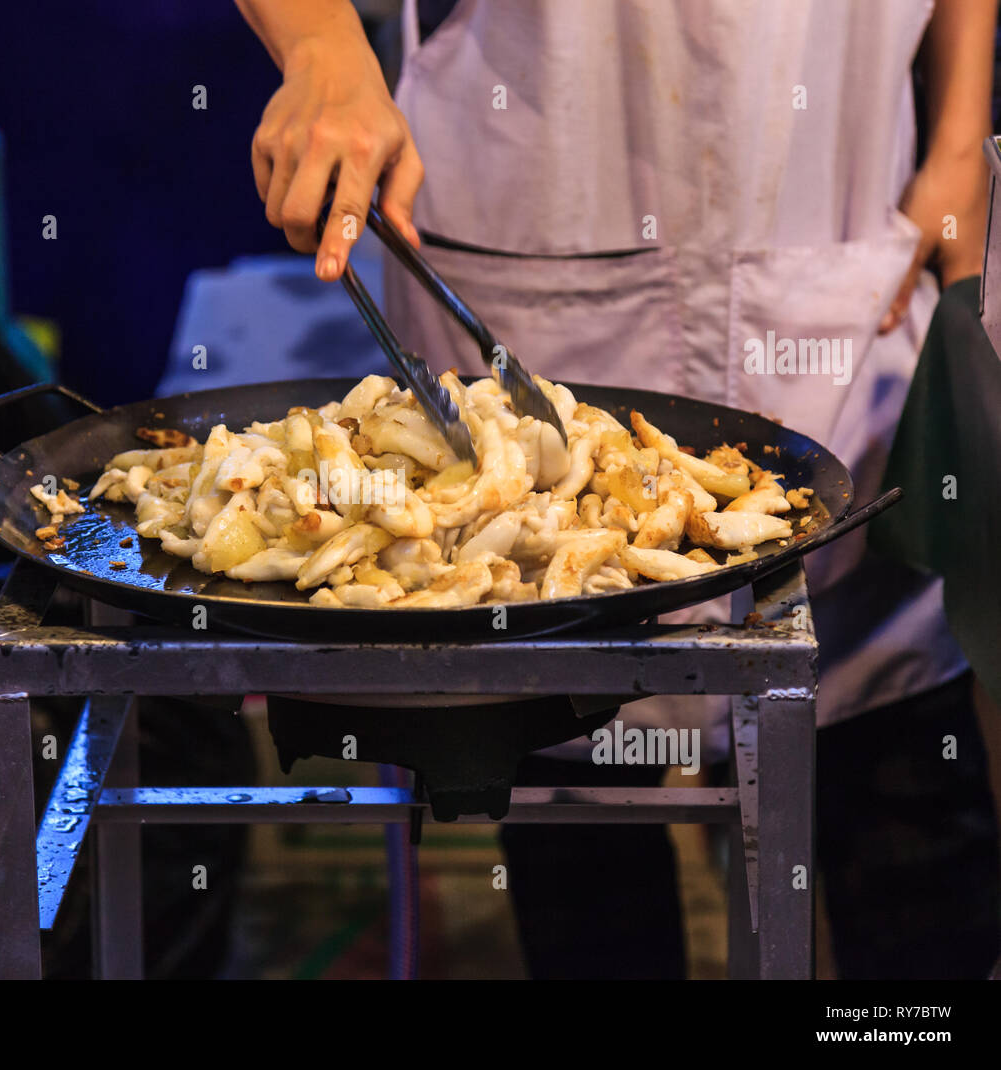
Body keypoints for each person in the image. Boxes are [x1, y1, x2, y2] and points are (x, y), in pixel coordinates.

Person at [236, 0, 1000, 978]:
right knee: (582, 837)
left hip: (843, 208)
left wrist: (958, 131)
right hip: (540, 198)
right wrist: (321, 47)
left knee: (907, 824)